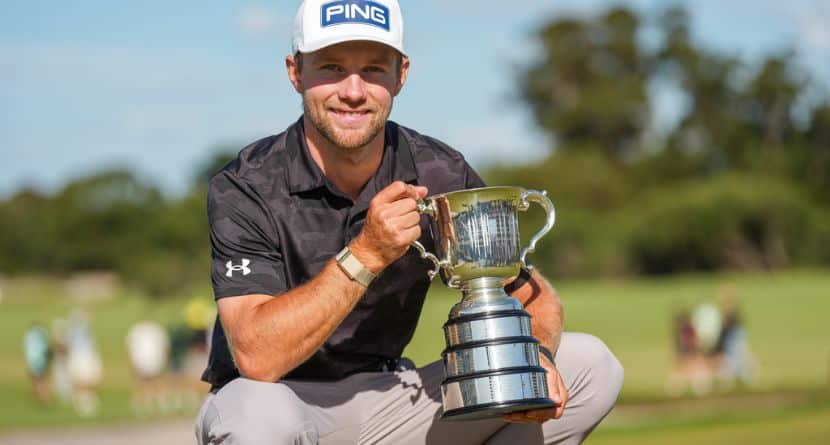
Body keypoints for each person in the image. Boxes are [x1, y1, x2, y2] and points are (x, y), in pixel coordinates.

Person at [195, 1, 623, 444]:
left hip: (392, 400)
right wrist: (366, 255)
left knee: (588, 364)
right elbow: (256, 356)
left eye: (373, 70)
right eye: (332, 68)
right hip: (277, 396)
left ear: (401, 75)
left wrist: (534, 357)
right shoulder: (245, 184)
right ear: (295, 73)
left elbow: (531, 294)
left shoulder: (440, 171)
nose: (353, 91)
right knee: (255, 417)